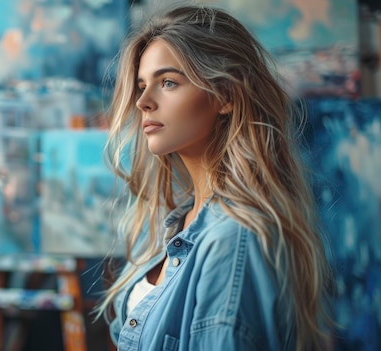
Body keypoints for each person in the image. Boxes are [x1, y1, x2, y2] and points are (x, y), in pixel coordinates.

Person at [95, 4, 333, 351]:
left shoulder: (232, 240)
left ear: (225, 96)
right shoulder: (175, 225)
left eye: (169, 82)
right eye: (142, 85)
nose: (143, 101)